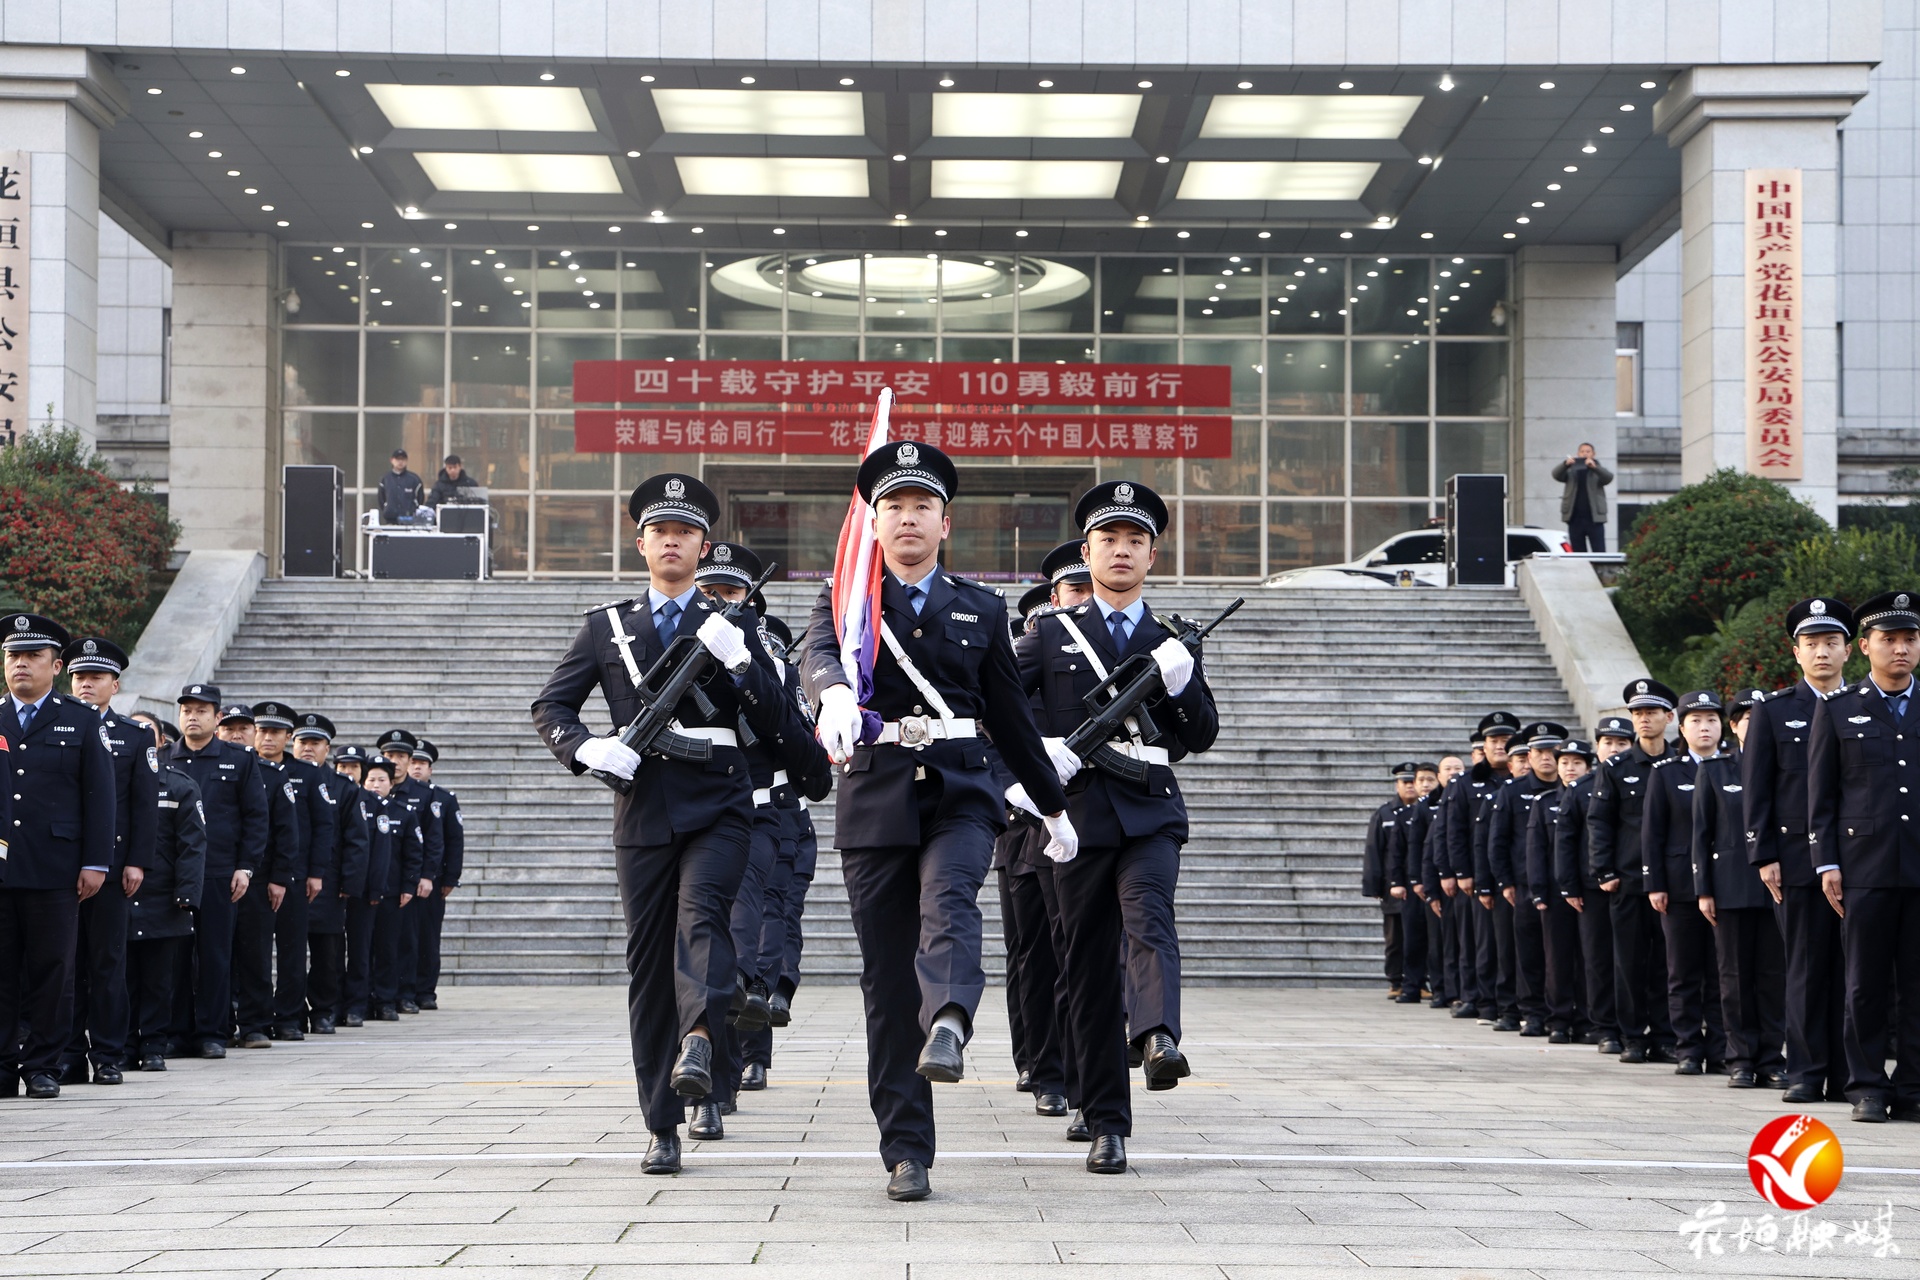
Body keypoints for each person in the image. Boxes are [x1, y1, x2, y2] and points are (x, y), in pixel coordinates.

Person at [800, 441, 1074, 1202]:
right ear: (873, 522)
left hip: (960, 789)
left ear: (944, 524)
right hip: (876, 795)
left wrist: (1051, 806)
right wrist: (830, 695)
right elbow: (817, 659)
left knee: (951, 899)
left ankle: (951, 1016)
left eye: (923, 507)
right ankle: (906, 1150)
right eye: (895, 506)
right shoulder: (844, 598)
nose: (909, 518)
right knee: (887, 986)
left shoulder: (980, 607)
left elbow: (1014, 721)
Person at [532, 472, 792, 1178]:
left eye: (685, 531)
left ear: (704, 546)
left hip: (721, 804)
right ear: (641, 542)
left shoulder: (736, 623)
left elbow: (779, 721)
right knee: (649, 969)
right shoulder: (606, 626)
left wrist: (745, 663)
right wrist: (586, 747)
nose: (672, 540)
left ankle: (703, 1038)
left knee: (704, 919)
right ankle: (661, 1123)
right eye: (659, 531)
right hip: (643, 809)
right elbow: (550, 707)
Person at [1014, 480, 1219, 1175]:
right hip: (1076, 819)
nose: (1122, 551)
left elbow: (1199, 736)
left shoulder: (1170, 641)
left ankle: (1158, 1035)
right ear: (1088, 551)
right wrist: (1032, 763)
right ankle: (1105, 1119)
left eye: (1135, 541)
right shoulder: (1050, 633)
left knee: (1150, 916)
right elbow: (1003, 706)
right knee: (1086, 966)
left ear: (1152, 556)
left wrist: (1184, 680)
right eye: (1109, 541)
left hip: (1151, 811)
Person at [692, 539, 832, 1139]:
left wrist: (751, 676)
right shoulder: (671, 649)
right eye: (708, 593)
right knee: (699, 945)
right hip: (687, 817)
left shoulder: (772, 667)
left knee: (745, 932)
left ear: (752, 602)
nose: (718, 604)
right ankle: (706, 1070)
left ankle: (726, 1072)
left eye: (730, 594)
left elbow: (804, 749)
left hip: (759, 814)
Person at [1807, 589, 1920, 1123]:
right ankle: (1868, 1085)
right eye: (1889, 639)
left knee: (1917, 986)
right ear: (1866, 645)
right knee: (1865, 982)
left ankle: (1915, 1084)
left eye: (1910, 639)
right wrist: (1826, 862)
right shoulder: (1838, 710)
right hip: (1864, 868)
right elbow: (1822, 797)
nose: (1900, 649)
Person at [1743, 597, 1853, 1105]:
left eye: (1832, 643)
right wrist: (1764, 855)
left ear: (1849, 650)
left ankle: (1848, 1073)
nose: (1822, 653)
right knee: (1806, 969)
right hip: (1794, 862)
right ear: (1796, 652)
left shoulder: (1862, 706)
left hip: (1858, 860)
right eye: (1812, 645)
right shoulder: (1774, 710)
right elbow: (1757, 789)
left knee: (1855, 971)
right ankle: (1807, 1072)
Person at [0, 614, 114, 1099]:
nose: (21, 664)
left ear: (56, 665)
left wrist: (96, 861)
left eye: (32, 657)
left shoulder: (81, 720)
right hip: (2, 867)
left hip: (56, 866)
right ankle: (3, 1065)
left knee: (54, 969)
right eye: (13, 656)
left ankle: (43, 1064)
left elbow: (100, 797)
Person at [60, 636, 159, 1086]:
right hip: (58, 864)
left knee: (106, 964)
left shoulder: (134, 736)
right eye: (79, 677)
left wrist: (137, 860)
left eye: (96, 678)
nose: (86, 685)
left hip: (113, 868)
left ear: (114, 686)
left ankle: (107, 1055)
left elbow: (143, 805)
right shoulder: (54, 726)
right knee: (61, 965)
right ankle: (67, 1055)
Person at [164, 684, 269, 1060]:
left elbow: (256, 817)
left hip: (220, 872)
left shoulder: (239, 759)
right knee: (174, 956)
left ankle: (212, 1031)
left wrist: (246, 867)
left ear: (217, 717)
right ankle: (176, 1032)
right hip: (171, 873)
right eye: (187, 710)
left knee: (214, 955)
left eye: (202, 711)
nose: (193, 716)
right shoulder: (163, 757)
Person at [1692, 690, 1786, 1090]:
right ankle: (1740, 1058)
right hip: (1729, 887)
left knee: (1772, 975)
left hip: (1777, 887)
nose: (1753, 722)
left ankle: (1771, 1056)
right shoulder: (1716, 770)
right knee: (1733, 977)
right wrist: (1703, 889)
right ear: (1733, 725)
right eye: (1745, 717)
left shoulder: (1785, 766)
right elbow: (1701, 835)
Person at [1587, 679, 1678, 1065]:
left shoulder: (1683, 761)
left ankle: (1666, 1035)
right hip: (1627, 879)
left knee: (1669, 963)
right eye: (1637, 714)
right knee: (1629, 962)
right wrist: (1603, 869)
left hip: (1675, 882)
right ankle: (1632, 1036)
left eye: (1651, 713)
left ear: (1669, 718)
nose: (1643, 720)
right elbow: (1601, 822)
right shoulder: (1616, 767)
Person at [1643, 689, 1730, 1076]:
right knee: (1682, 971)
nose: (1705, 727)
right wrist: (1655, 883)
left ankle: (1722, 1047)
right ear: (1682, 725)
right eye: (1696, 720)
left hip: (1726, 885)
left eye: (1712, 719)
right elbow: (1652, 833)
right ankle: (1688, 1048)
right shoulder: (1665, 772)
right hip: (1678, 888)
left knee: (1722, 972)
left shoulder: (1735, 768)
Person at [125, 714, 205, 1074]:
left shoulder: (179, 785)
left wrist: (186, 894)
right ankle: (123, 1046)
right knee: (120, 980)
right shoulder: (113, 779)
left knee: (159, 981)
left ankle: (154, 1045)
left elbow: (192, 845)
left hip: (164, 898)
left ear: (160, 743)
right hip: (123, 897)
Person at [251, 701, 335, 1041]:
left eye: (276, 733)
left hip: (295, 877)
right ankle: (256, 1015)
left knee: (292, 949)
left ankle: (289, 1017)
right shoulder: (247, 767)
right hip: (255, 875)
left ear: (288, 737)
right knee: (253, 950)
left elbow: (322, 826)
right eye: (263, 731)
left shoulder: (308, 774)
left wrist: (316, 872)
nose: (268, 738)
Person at [1556, 716, 1633, 1056]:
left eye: (1621, 744)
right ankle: (1605, 1027)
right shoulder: (1581, 788)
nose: (1614, 750)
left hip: (1637, 883)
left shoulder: (1647, 776)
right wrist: (1570, 885)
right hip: (1593, 888)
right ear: (1597, 748)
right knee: (1599, 958)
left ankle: (1640, 1024)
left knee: (1637, 958)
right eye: (1608, 744)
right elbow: (1566, 840)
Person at [231, 703, 300, 1051]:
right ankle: (217, 1021)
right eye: (230, 728)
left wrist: (279, 877)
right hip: (212, 875)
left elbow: (286, 832)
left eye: (245, 728)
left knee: (255, 953)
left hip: (257, 877)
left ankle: (256, 1023)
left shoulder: (271, 775)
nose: (238, 734)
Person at [1490, 722, 1564, 1036]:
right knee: (1528, 952)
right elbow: (1498, 840)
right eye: (1539, 752)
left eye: (1552, 752)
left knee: (1563, 953)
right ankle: (1532, 1013)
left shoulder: (1575, 787)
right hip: (1525, 885)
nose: (1546, 758)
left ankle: (1564, 1012)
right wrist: (1505, 881)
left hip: (1567, 885)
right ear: (1528, 757)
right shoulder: (1512, 791)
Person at [294, 713, 364, 1034]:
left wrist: (349, 882)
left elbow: (355, 838)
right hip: (287, 877)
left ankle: (323, 1010)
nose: (308, 749)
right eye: (302, 742)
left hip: (328, 881)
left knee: (327, 951)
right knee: (290, 951)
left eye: (315, 743)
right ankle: (291, 1010)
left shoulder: (343, 786)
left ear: (327, 749)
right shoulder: (279, 775)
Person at [375, 729, 442, 1016]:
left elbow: (432, 840)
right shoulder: (372, 790)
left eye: (401, 756)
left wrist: (426, 876)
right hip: (380, 881)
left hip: (410, 881)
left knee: (409, 940)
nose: (395, 761)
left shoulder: (424, 795)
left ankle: (407, 993)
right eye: (389, 755)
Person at [1529, 736, 1592, 1043]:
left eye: (1577, 763)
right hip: (1555, 893)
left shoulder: (1598, 798)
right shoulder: (1544, 802)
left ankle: (1586, 1020)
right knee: (1558, 958)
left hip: (1589, 889)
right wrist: (1539, 892)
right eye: (1564, 762)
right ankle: (1559, 1019)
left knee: (1589, 958)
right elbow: (1536, 850)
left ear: (1588, 767)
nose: (1569, 768)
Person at [351, 756, 423, 1022]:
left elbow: (414, 854)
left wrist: (408, 886)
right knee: (360, 950)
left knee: (387, 949)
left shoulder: (404, 813)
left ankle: (385, 1000)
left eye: (382, 780)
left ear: (391, 784)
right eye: (371, 780)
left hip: (392, 893)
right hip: (360, 892)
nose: (376, 785)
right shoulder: (354, 808)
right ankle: (359, 1002)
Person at [404, 739, 462, 1012]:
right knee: (404, 938)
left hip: (432, 879)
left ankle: (426, 991)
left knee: (428, 937)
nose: (416, 768)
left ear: (430, 768)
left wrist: (451, 877)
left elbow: (453, 840)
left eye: (422, 764)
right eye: (412, 762)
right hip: (401, 877)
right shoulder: (395, 794)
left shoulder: (444, 798)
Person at [331, 745, 376, 1027]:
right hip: (333, 886)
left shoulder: (374, 802)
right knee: (333, 950)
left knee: (359, 950)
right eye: (343, 766)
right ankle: (333, 1004)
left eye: (354, 767)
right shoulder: (329, 793)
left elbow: (373, 851)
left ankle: (356, 1006)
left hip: (362, 887)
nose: (347, 771)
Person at [1365, 766, 1416, 997]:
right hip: (1392, 885)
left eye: (1413, 781)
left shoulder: (1425, 810)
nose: (1410, 786)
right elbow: (1374, 850)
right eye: (1405, 782)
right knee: (1395, 937)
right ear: (1397, 785)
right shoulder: (1385, 813)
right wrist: (1375, 885)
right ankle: (1396, 980)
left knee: (1418, 936)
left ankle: (1418, 980)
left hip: (1418, 884)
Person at [1551, 442, 1613, 553]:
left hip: (1594, 518)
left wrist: (1594, 467)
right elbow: (1556, 475)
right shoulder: (1571, 470)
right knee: (1578, 552)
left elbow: (1608, 478)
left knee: (1599, 551)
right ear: (1578, 453)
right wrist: (1565, 464)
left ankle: (1598, 570)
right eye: (1582, 451)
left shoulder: (1597, 469)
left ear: (1593, 454)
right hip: (1575, 518)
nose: (1585, 454)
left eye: (1588, 452)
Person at [378, 448, 426, 523]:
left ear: (406, 461)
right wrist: (387, 508)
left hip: (410, 520)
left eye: (403, 459)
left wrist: (414, 509)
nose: (400, 462)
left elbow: (420, 498)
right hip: (390, 520)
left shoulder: (414, 479)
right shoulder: (385, 479)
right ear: (391, 460)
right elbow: (381, 499)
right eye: (397, 459)